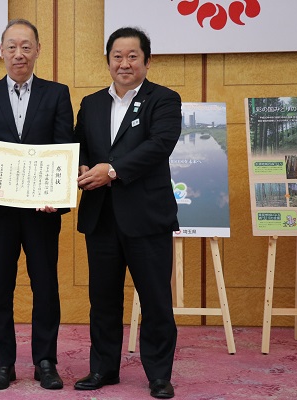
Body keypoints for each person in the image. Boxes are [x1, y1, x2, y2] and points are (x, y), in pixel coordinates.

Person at [0, 19, 74, 391]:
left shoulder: (57, 94)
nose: (18, 54)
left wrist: (56, 197)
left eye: (26, 46)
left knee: (46, 286)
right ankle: (3, 363)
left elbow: (63, 148)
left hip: (42, 212)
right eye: (11, 46)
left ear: (38, 50)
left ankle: (45, 361)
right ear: (1, 51)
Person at [74, 27, 181, 399]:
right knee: (102, 299)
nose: (124, 63)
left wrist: (112, 170)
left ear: (147, 61)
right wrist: (81, 169)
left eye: (133, 56)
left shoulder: (164, 100)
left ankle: (159, 374)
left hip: (147, 216)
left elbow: (159, 145)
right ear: (108, 61)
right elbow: (80, 147)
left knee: (155, 299)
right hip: (101, 216)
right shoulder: (91, 103)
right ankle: (103, 368)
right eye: (117, 56)